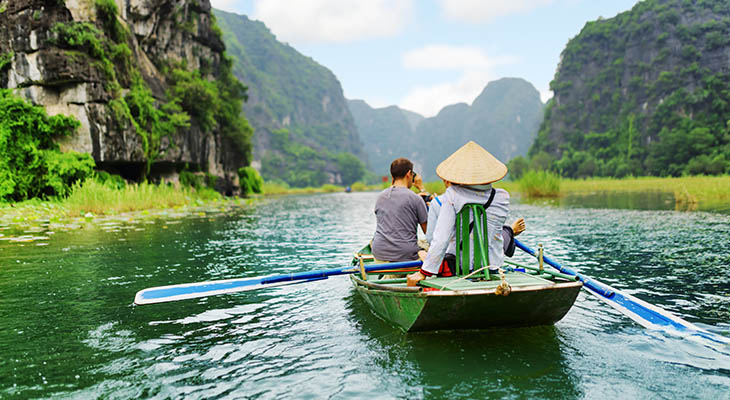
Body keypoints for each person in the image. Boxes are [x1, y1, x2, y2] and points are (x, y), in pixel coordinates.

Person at [407, 141, 515, 286]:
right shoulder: (502, 197)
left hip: (460, 268)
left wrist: (424, 272)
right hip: (493, 267)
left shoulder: (452, 195)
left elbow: (440, 238)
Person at [371, 158, 428, 262]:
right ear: (409, 174)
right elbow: (428, 232)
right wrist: (422, 188)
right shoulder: (416, 199)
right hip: (406, 255)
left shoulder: (380, 197)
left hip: (379, 253)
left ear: (392, 176)